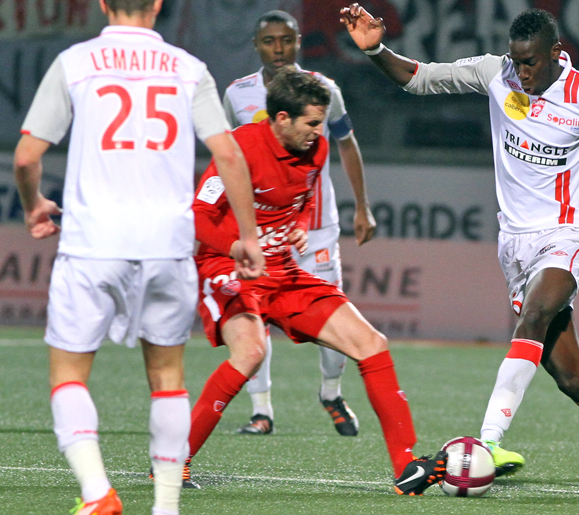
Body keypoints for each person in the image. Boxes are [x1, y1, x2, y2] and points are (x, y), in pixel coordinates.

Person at [341, 5, 579, 501]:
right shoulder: (496, 74)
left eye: (531, 62)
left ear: (556, 52)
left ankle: (489, 443)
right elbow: (419, 78)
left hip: (566, 234)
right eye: (516, 61)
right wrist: (376, 51)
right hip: (514, 245)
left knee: (533, 316)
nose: (522, 72)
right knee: (573, 378)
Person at [13, 0, 264, 513]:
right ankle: (165, 507)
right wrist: (249, 236)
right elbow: (229, 154)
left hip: (93, 243)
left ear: (104, 4)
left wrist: (33, 204)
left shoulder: (76, 62)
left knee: (68, 374)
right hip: (166, 244)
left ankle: (97, 493)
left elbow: (26, 156)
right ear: (157, 5)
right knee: (168, 379)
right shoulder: (188, 68)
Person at [187, 67, 445, 496]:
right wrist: (237, 247)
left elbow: (304, 199)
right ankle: (174, 461)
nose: (317, 132)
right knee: (250, 352)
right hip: (226, 267)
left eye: (320, 123)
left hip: (282, 271)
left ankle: (406, 466)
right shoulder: (238, 149)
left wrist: (302, 225)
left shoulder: (317, 148)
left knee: (372, 343)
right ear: (281, 118)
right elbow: (198, 216)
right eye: (310, 123)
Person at [223, 9, 376, 437]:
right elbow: (229, 156)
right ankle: (261, 410)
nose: (278, 49)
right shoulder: (237, 95)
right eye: (269, 41)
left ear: (298, 43)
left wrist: (362, 206)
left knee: (331, 313)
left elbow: (346, 143)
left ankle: (331, 392)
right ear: (256, 46)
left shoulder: (324, 90)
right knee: (254, 315)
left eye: (286, 40)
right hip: (261, 228)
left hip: (316, 227)